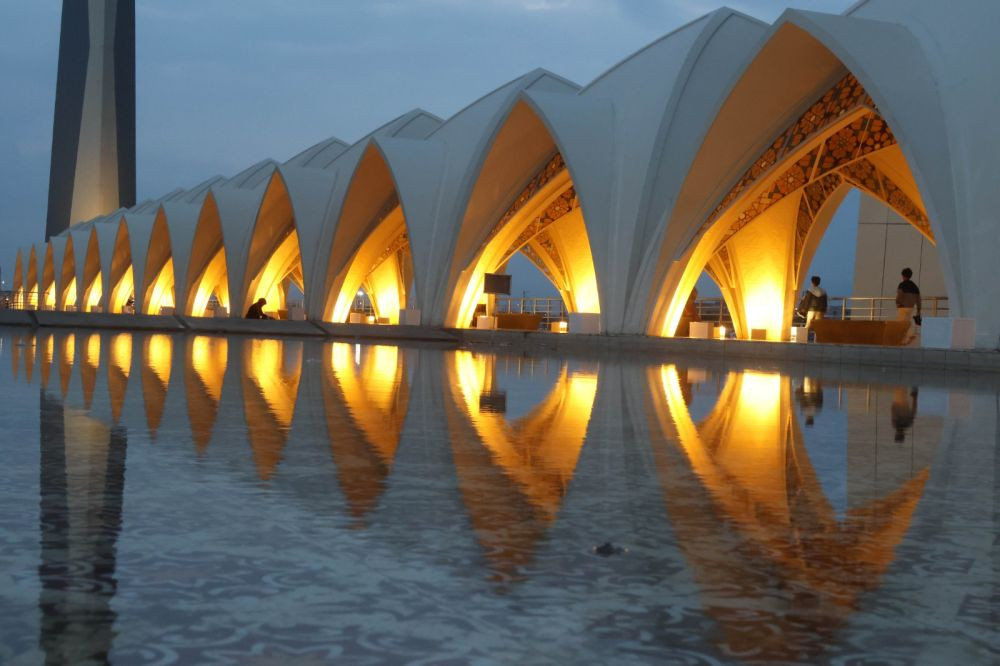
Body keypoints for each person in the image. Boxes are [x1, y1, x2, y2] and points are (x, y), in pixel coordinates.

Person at [896, 267, 921, 344]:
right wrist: (918, 310)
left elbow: (899, 295)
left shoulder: (902, 285)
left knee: (901, 323)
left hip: (903, 306)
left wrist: (897, 303)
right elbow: (918, 299)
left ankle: (905, 338)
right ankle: (908, 337)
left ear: (903, 275)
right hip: (910, 307)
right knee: (907, 321)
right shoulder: (915, 286)